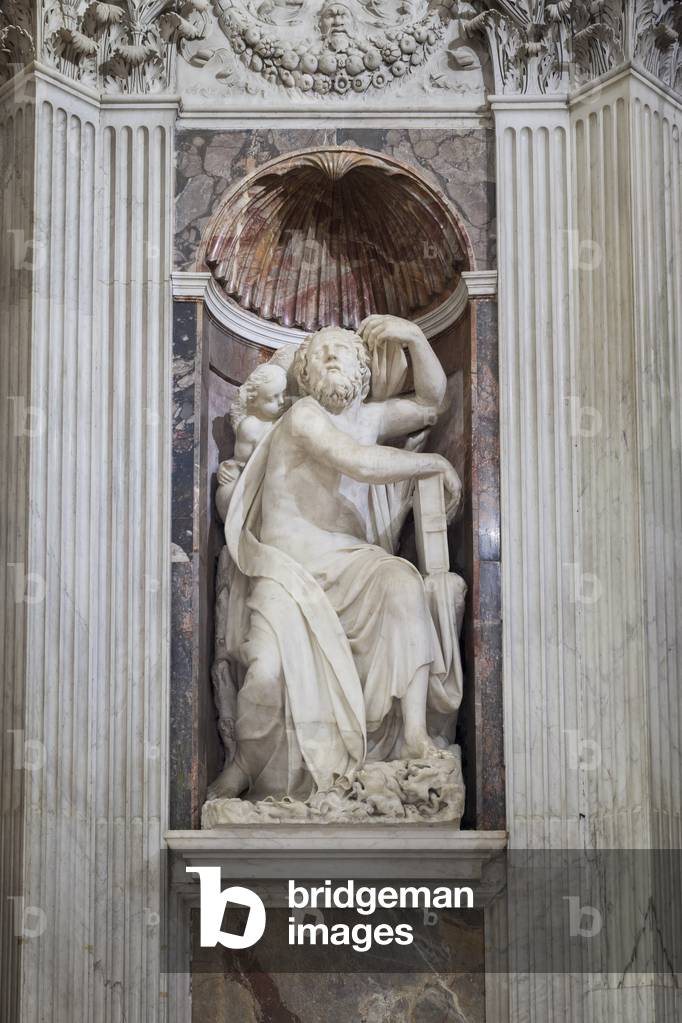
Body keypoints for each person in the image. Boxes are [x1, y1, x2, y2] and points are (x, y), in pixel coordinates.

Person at [209, 315, 462, 801]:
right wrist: (433, 461)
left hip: (351, 563)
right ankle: (244, 767)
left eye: (341, 350)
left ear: (362, 368)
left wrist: (412, 336)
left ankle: (412, 737)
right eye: (319, 353)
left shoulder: (371, 418)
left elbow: (432, 403)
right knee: (264, 670)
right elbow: (360, 463)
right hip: (288, 569)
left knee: (401, 581)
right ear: (304, 374)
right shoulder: (303, 416)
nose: (329, 356)